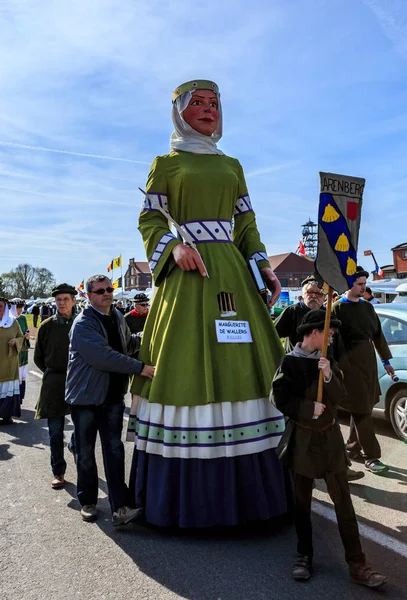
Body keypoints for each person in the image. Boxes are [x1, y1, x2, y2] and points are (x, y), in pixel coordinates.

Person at [129, 79, 288, 528]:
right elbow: (149, 216)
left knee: (246, 362)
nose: (207, 110)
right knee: (186, 363)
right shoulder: (166, 162)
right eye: (196, 103)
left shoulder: (233, 165)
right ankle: (188, 502)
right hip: (188, 273)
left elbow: (246, 222)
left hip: (233, 270)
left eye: (213, 103)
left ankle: (262, 495)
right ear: (179, 111)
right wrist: (171, 248)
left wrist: (262, 263)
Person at [270, 309, 387, 588]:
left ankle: (358, 563)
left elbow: (341, 397)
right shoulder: (290, 362)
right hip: (303, 441)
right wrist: (307, 408)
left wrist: (329, 376)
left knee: (344, 504)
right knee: (302, 504)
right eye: (329, 334)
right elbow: (279, 397)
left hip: (330, 442)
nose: (332, 338)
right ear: (313, 333)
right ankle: (304, 556)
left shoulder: (328, 361)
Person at [66, 275, 155, 525]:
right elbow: (102, 356)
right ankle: (88, 502)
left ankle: (120, 508)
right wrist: (140, 368)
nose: (107, 293)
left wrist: (154, 336)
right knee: (85, 453)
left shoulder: (116, 316)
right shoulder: (83, 323)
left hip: (113, 396)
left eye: (109, 289)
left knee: (114, 451)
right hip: (86, 398)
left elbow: (127, 344)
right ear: (89, 295)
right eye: (100, 291)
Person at [332, 267, 395, 474]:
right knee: (362, 409)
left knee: (363, 406)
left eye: (364, 284)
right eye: (359, 284)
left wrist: (386, 360)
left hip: (368, 362)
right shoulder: (336, 308)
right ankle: (372, 456)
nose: (363, 287)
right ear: (349, 284)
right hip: (349, 364)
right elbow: (333, 340)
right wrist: (340, 367)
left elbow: (378, 335)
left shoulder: (368, 308)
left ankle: (352, 448)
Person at [34, 284, 78, 489]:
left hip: (78, 381)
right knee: (55, 431)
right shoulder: (46, 326)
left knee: (83, 426)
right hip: (54, 382)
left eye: (65, 299)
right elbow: (38, 358)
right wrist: (54, 373)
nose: (62, 303)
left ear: (74, 300)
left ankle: (74, 446)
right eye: (58, 300)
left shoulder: (82, 323)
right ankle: (58, 472)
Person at [274, 276, 325, 352]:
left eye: (319, 293)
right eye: (310, 292)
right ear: (303, 295)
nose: (314, 296)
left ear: (324, 297)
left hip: (321, 361)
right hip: (295, 360)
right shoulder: (292, 311)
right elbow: (273, 334)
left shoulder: (328, 315)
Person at [10, 300, 31, 402]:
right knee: (15, 375)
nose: (19, 311)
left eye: (21, 308)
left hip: (23, 349)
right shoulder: (9, 320)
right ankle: (14, 400)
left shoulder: (22, 318)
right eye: (17, 309)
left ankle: (20, 398)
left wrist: (27, 335)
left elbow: (26, 330)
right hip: (14, 351)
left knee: (22, 375)